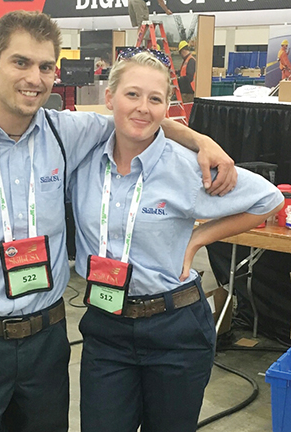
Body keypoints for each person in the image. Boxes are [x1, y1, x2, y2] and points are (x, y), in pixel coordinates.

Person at [0, 10, 235, 432]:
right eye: (20, 62)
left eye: (45, 67)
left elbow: (140, 116)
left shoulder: (68, 132)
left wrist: (201, 140)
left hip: (48, 342)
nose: (34, 78)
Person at [67, 48, 284, 432]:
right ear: (109, 97)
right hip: (106, 327)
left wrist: (201, 236)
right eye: (132, 94)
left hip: (175, 329)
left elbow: (268, 199)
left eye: (155, 99)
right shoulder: (83, 158)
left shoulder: (186, 167)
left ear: (167, 106)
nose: (143, 108)